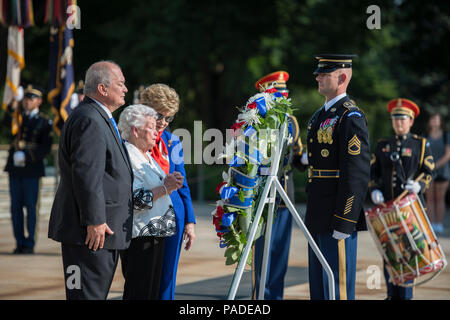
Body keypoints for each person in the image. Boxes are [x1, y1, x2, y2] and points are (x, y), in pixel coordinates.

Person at [48, 61, 133, 300]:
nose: (125, 89)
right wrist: (95, 220)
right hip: (91, 234)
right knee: (85, 295)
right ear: (103, 89)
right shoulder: (90, 120)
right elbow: (87, 174)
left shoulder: (97, 117)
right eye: (121, 83)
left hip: (96, 233)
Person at [305, 54, 370, 300]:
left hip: (336, 213)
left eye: (325, 73)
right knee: (319, 288)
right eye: (319, 72)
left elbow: (356, 174)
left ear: (342, 77)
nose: (318, 76)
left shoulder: (349, 116)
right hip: (317, 212)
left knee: (338, 288)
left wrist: (345, 219)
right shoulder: (320, 115)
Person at [369, 98, 435, 300]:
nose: (398, 123)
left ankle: (405, 296)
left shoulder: (420, 144)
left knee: (409, 251)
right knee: (389, 252)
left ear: (411, 121)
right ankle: (391, 295)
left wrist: (419, 185)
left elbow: (429, 170)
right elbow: (373, 172)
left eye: (403, 119)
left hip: (410, 210)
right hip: (387, 209)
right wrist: (374, 190)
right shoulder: (382, 145)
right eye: (395, 119)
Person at [117, 104, 183, 299]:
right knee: (140, 292)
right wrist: (165, 188)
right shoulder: (129, 155)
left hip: (154, 233)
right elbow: (136, 199)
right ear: (136, 130)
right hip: (141, 237)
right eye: (152, 128)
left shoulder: (145, 155)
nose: (157, 132)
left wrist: (168, 183)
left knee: (151, 292)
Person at [139, 83, 196, 300]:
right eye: (159, 116)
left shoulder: (173, 140)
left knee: (167, 278)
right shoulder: (131, 137)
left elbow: (183, 184)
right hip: (143, 214)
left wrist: (190, 221)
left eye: (169, 118)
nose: (163, 122)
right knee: (142, 278)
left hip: (175, 214)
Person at [252, 71, 304, 299]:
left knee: (280, 253)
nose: (284, 97)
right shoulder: (256, 119)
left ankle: (276, 297)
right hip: (262, 195)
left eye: (285, 93)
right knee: (262, 253)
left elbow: (297, 153)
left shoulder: (291, 121)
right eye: (279, 93)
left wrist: (306, 159)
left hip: (284, 197)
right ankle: (260, 298)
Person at [4, 84, 53, 254]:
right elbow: (5, 123)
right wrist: (12, 106)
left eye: (31, 99)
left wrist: (28, 155)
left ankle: (30, 242)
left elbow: (45, 147)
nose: (27, 101)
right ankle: (19, 242)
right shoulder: (17, 117)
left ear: (39, 101)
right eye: (25, 98)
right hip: (15, 170)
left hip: (31, 169)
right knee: (15, 207)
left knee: (31, 207)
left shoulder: (44, 121)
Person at [425, 113, 450, 234]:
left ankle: (439, 223)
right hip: (428, 172)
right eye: (432, 119)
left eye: (436, 119)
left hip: (442, 171)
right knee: (429, 199)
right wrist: (428, 167)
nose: (434, 121)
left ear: (440, 122)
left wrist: (434, 165)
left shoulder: (446, 136)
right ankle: (431, 223)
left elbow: (448, 155)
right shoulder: (425, 136)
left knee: (440, 198)